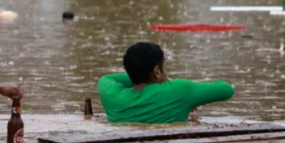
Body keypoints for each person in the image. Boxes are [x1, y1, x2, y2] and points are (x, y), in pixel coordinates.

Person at [98, 42, 234, 124]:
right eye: (165, 67)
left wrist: (137, 74)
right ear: (157, 71)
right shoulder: (180, 90)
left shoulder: (112, 95)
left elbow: (108, 78)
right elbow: (227, 89)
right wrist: (173, 86)